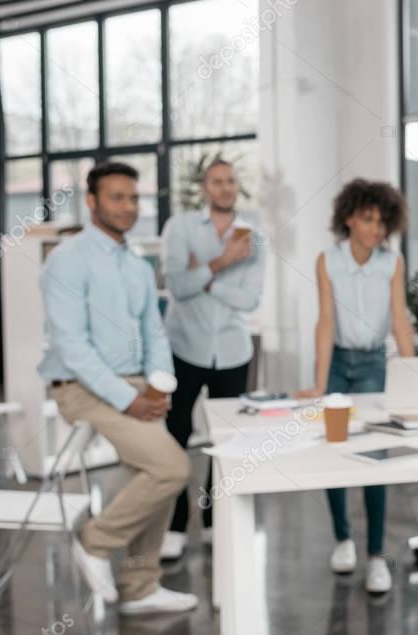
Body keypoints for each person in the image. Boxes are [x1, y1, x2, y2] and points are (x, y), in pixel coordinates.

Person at [38, 161, 197, 615]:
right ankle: (95, 539)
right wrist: (130, 399)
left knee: (152, 473)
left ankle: (139, 586)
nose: (128, 207)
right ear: (91, 202)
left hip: (134, 383)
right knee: (171, 468)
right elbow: (72, 347)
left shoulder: (136, 263)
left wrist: (158, 383)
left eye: (133, 198)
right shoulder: (67, 260)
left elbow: (155, 331)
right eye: (116, 197)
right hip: (80, 386)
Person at [296, 178, 416, 593]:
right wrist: (318, 382)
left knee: (373, 457)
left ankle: (376, 555)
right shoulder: (327, 261)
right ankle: (343, 538)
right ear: (348, 218)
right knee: (335, 455)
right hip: (338, 362)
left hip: (371, 363)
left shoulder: (391, 262)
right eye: (368, 219)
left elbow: (399, 319)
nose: (377, 228)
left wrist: (413, 379)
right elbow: (326, 320)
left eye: (382, 221)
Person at [158, 159, 266, 560]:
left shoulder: (255, 238)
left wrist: (203, 276)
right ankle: (174, 525)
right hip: (184, 348)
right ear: (204, 187)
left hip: (234, 352)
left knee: (227, 442)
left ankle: (212, 520)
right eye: (216, 182)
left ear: (237, 187)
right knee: (175, 437)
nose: (224, 188)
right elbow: (176, 286)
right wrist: (223, 264)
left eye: (231, 182)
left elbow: (251, 299)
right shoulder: (180, 228)